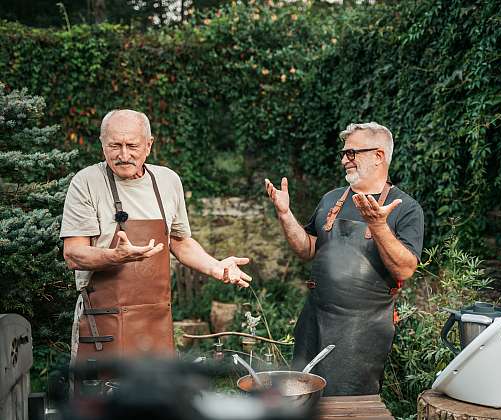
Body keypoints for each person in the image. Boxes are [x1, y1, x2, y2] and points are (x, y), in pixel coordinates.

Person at [60, 109, 252, 366]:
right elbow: (73, 253)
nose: (123, 155)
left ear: (148, 145)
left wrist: (215, 267)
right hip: (103, 319)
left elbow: (179, 241)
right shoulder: (86, 182)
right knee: (101, 401)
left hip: (156, 320)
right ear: (102, 144)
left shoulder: (168, 181)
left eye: (132, 146)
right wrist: (115, 256)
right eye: (114, 145)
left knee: (157, 400)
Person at [265, 122, 424, 396]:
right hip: (314, 318)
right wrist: (285, 214)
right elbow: (307, 249)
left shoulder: (405, 208)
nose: (343, 160)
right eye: (343, 153)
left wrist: (378, 225)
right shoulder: (331, 200)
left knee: (348, 405)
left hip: (361, 329)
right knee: (300, 397)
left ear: (378, 155)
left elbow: (406, 268)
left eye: (351, 153)